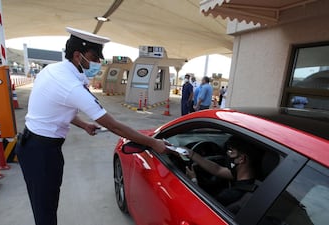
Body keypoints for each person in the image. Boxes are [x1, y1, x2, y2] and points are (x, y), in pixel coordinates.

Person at [15, 27, 168, 225]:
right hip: (43, 153)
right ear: (78, 56)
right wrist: (153, 143)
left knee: (42, 204)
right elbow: (114, 126)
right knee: (46, 210)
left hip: (32, 146)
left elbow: (56, 109)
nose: (98, 63)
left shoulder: (53, 70)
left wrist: (84, 125)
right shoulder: (71, 85)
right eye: (94, 57)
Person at [185, 136, 261, 210]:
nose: (227, 154)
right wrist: (192, 154)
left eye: (231, 151)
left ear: (241, 159)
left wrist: (193, 180)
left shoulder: (231, 195)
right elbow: (218, 170)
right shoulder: (252, 179)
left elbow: (201, 208)